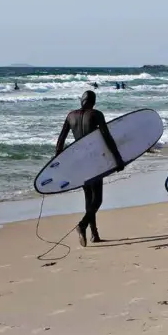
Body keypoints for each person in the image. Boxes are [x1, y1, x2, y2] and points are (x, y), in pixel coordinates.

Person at [55, 90, 125, 246]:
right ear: (93, 101)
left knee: (88, 198)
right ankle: (83, 225)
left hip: (80, 162)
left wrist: (58, 164)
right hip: (94, 161)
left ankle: (94, 234)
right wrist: (118, 158)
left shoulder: (70, 116)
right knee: (97, 199)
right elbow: (107, 137)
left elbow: (60, 142)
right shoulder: (96, 114)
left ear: (82, 101)